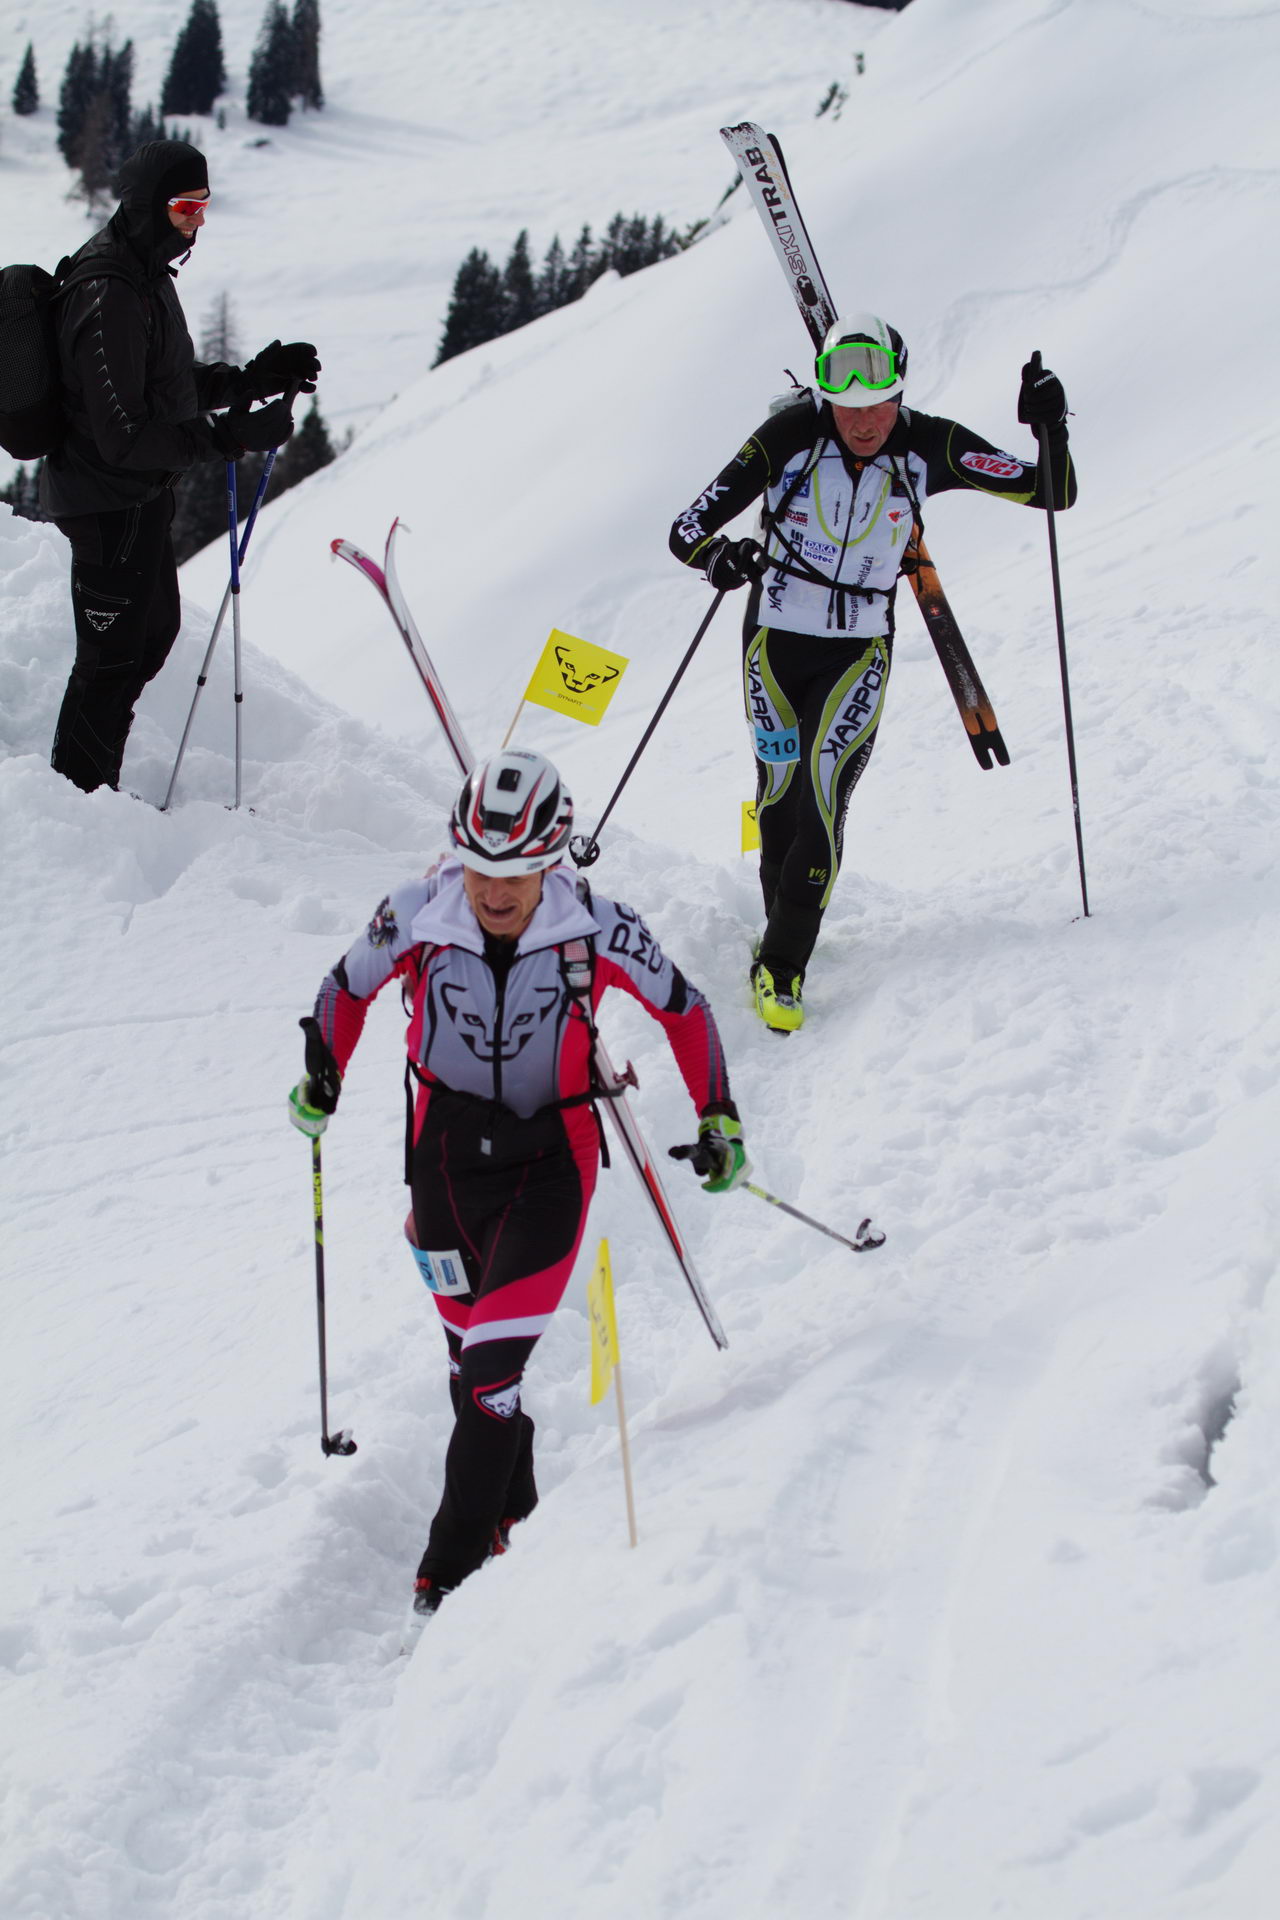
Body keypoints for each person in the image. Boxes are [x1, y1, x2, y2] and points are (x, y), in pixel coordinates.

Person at [287, 750, 748, 1624]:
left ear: (553, 859)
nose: (494, 891)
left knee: (496, 1364)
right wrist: (324, 1074)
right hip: (443, 1166)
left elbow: (687, 1009)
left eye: (518, 872)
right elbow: (343, 990)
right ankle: (518, 1513)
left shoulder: (600, 929)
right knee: (473, 1373)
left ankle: (447, 1573)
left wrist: (718, 1115)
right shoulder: (418, 913)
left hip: (550, 1163)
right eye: (480, 868)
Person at [669, 312, 1077, 1033]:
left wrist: (1051, 424)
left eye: (878, 401)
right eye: (846, 402)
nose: (862, 419)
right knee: (781, 799)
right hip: (771, 646)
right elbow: (686, 528)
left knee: (823, 803)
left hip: (860, 650)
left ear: (901, 392)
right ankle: (780, 923)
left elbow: (1051, 490)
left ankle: (784, 967)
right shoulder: (789, 437)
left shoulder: (931, 445)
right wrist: (720, 558)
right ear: (824, 395)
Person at [39, 138, 321, 793]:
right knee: (110, 662)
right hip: (103, 501)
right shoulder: (107, 291)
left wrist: (249, 381)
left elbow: (166, 386)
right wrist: (223, 441)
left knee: (152, 635)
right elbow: (123, 437)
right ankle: (74, 800)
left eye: (203, 207)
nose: (197, 221)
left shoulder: (144, 275)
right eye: (185, 207)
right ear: (147, 206)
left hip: (138, 501)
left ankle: (85, 785)